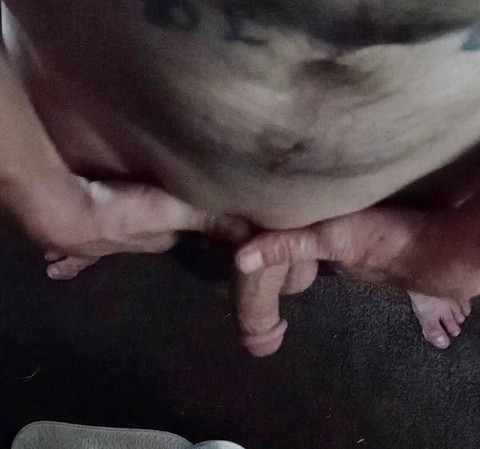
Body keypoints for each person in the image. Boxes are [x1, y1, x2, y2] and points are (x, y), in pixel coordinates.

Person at [1, 0, 480, 356]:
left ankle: (418, 267)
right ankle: (93, 223)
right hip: (116, 147)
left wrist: (454, 252)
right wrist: (37, 189)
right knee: (119, 227)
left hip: (407, 193)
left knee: (419, 261)